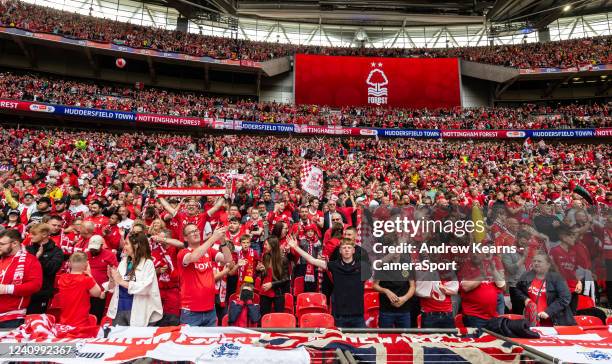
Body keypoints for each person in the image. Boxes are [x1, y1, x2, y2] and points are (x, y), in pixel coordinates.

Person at [288, 235, 371, 328]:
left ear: (353, 250)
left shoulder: (362, 266)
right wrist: (296, 247)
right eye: (344, 248)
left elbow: (380, 263)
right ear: (340, 251)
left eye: (349, 248)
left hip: (358, 317)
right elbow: (312, 260)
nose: (347, 250)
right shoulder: (334, 265)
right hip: (340, 317)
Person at [177, 224, 232, 326]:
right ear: (185, 238)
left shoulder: (210, 251)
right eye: (192, 232)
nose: (196, 233)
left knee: (210, 341)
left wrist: (223, 242)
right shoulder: (182, 253)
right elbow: (194, 257)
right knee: (189, 341)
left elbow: (228, 259)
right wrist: (212, 238)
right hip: (191, 311)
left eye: (197, 230)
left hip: (210, 309)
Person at [106, 232, 163, 326]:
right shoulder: (124, 262)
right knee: (118, 339)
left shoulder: (147, 263)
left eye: (127, 244)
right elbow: (114, 287)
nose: (124, 247)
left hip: (138, 310)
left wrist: (120, 281)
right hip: (119, 309)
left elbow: (145, 288)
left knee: (135, 339)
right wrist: (112, 279)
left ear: (136, 245)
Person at [516, 252, 576, 326]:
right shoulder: (526, 275)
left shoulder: (557, 278)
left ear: (548, 265)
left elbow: (565, 298)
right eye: (534, 261)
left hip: (556, 322)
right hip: (533, 322)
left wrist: (549, 312)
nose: (536, 263)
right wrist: (525, 298)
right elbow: (517, 290)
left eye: (539, 261)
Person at [0, 229, 42, 328]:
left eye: (1, 244)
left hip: (11, 318)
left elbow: (35, 285)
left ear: (14, 243)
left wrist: (7, 289)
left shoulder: (30, 260)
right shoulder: (2, 258)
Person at [25, 223, 63, 314]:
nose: (30, 236)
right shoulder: (27, 249)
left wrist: (39, 258)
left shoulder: (56, 251)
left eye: (34, 234)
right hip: (25, 293)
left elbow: (52, 269)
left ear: (44, 234)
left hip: (42, 295)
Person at [56, 252, 103, 327]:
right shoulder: (86, 279)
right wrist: (90, 274)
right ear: (86, 264)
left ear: (69, 264)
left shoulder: (62, 278)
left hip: (64, 324)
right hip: (81, 325)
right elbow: (98, 293)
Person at [87, 235, 118, 322]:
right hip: (86, 291)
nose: (93, 250)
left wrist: (106, 290)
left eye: (95, 248)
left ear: (101, 245)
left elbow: (115, 272)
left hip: (101, 291)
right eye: (91, 248)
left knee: (97, 316)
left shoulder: (110, 255)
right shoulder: (85, 255)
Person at [257, 236, 290, 316]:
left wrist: (272, 284)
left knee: (278, 317)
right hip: (264, 292)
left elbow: (286, 279)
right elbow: (264, 275)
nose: (264, 246)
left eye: (266, 244)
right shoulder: (265, 256)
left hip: (278, 292)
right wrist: (259, 270)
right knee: (264, 317)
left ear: (272, 246)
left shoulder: (283, 259)